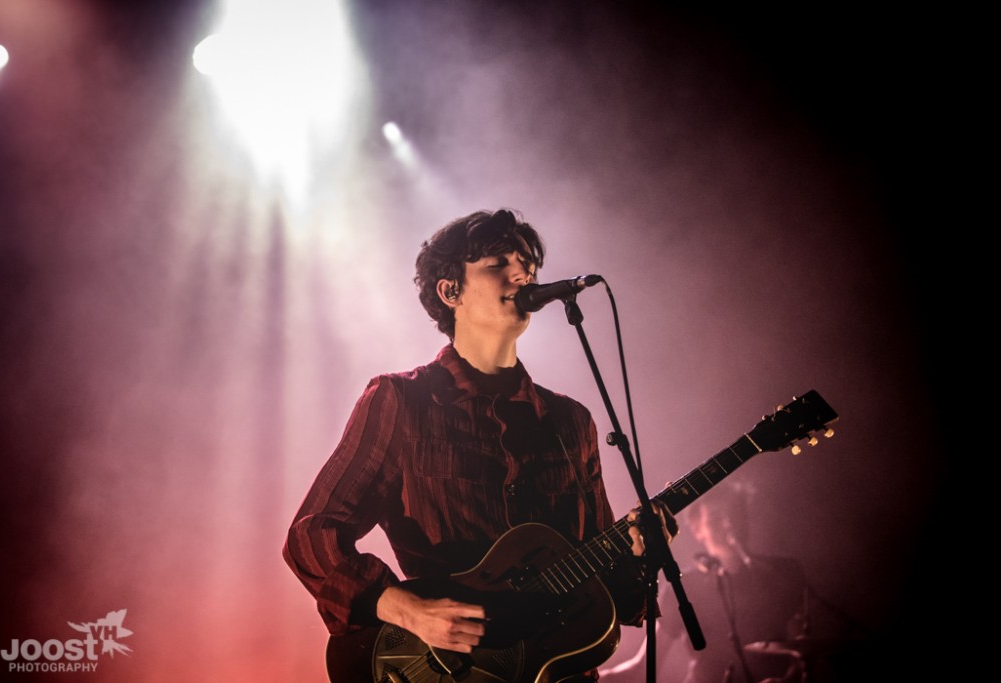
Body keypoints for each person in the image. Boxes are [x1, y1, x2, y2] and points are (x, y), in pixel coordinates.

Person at [283, 208, 677, 682]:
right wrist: (406, 610)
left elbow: (598, 594)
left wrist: (637, 555)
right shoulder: (403, 400)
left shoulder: (570, 422)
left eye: (528, 265)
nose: (523, 273)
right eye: (498, 263)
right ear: (451, 291)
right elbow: (312, 532)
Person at [600, 483, 808, 683]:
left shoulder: (781, 572)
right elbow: (642, 667)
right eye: (717, 518)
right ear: (698, 529)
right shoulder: (683, 587)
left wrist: (788, 679)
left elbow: (803, 649)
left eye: (734, 515)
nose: (728, 524)